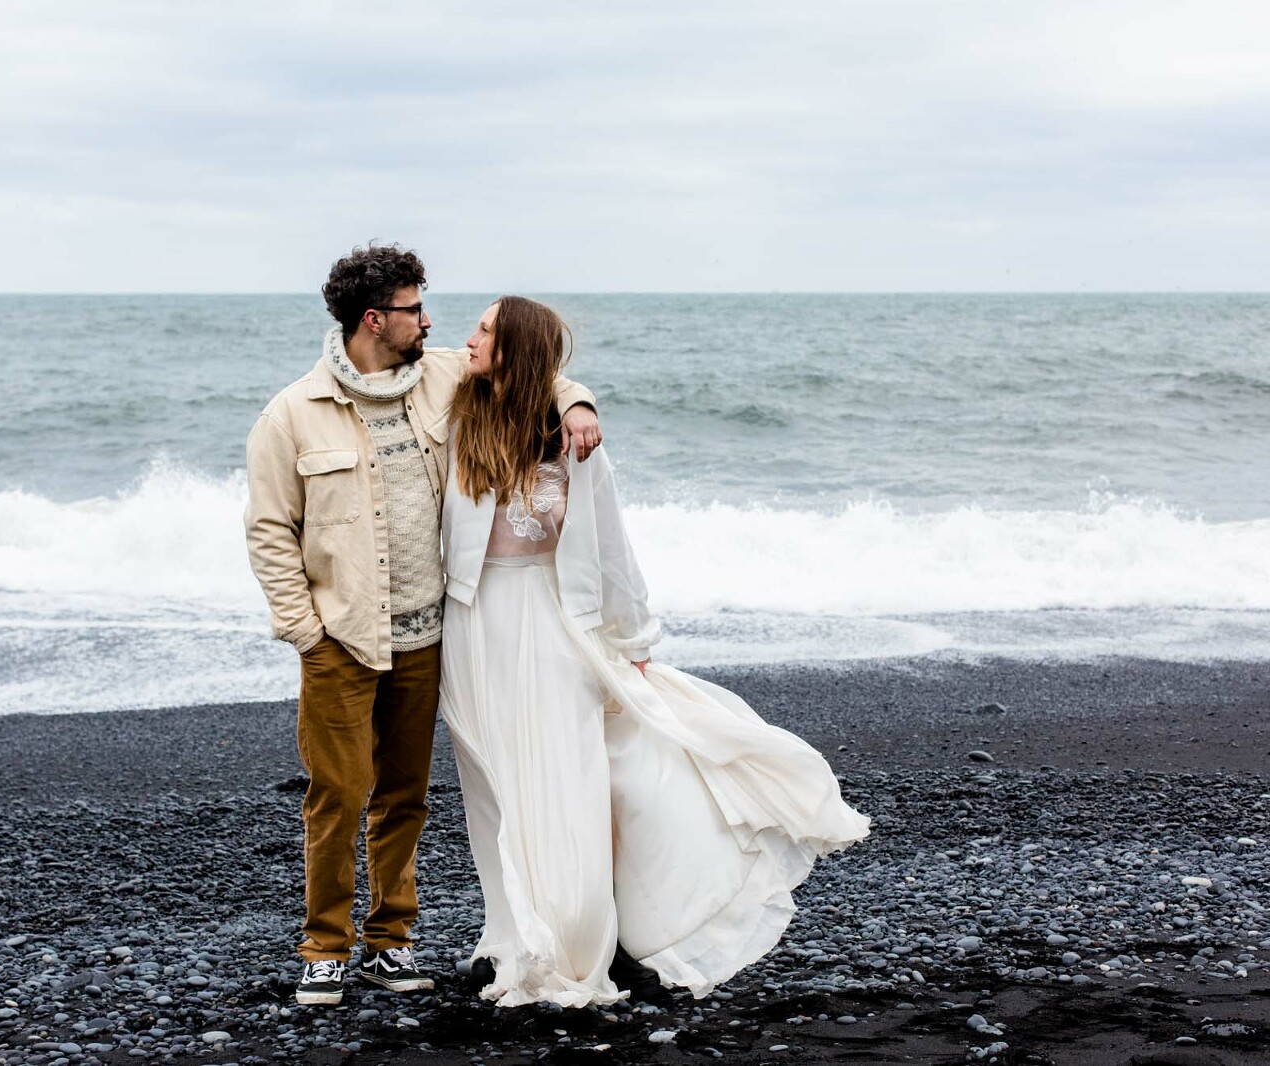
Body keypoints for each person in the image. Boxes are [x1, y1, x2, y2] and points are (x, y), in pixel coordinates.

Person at [439, 296, 871, 1007]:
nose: (469, 338)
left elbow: (611, 549)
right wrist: (577, 393)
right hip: (473, 625)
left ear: (516, 348)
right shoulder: (458, 411)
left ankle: (583, 941)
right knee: (495, 787)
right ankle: (512, 937)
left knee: (572, 782)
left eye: (486, 329)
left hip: (553, 624)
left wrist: (634, 640)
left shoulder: (573, 442)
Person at [243, 246, 604, 1006]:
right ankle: (324, 947)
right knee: (338, 794)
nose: (430, 321)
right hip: (340, 639)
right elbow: (270, 530)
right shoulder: (291, 414)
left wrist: (578, 403)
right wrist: (304, 630)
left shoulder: (441, 377)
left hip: (427, 637)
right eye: (414, 309)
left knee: (405, 795)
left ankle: (390, 943)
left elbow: (532, 371)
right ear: (376, 320)